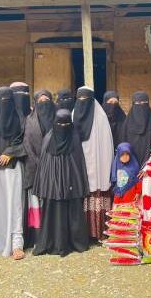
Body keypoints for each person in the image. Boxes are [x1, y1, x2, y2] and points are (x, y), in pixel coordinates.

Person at [32, 109, 89, 257]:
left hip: (71, 185)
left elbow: (79, 163)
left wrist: (74, 182)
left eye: (66, 124)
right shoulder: (49, 138)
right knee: (53, 211)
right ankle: (53, 242)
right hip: (53, 186)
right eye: (60, 123)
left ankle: (75, 241)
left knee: (73, 210)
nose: (62, 127)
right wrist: (52, 183)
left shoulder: (74, 138)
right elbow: (44, 165)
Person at [0, 87, 27, 259]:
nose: (4, 104)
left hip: (13, 169)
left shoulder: (19, 119)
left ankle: (16, 245)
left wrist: (10, 152)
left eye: (7, 100)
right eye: (0, 100)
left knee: (15, 206)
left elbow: (25, 140)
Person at [72, 87, 115, 243]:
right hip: (80, 165)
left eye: (86, 100)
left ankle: (99, 233)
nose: (82, 104)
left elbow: (106, 147)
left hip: (98, 167)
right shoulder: (72, 115)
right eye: (80, 100)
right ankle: (83, 235)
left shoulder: (100, 117)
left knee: (97, 196)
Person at [21, 90, 56, 248]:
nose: (44, 103)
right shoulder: (29, 120)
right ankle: (38, 238)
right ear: (35, 103)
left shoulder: (57, 120)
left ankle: (53, 236)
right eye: (40, 101)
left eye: (46, 100)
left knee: (52, 203)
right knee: (36, 204)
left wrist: (49, 163)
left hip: (54, 169)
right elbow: (27, 145)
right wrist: (39, 163)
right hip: (33, 169)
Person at [118, 91, 151, 168]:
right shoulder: (127, 124)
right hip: (129, 164)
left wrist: (148, 165)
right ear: (133, 104)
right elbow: (122, 146)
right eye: (138, 103)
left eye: (144, 103)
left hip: (149, 167)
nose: (141, 106)